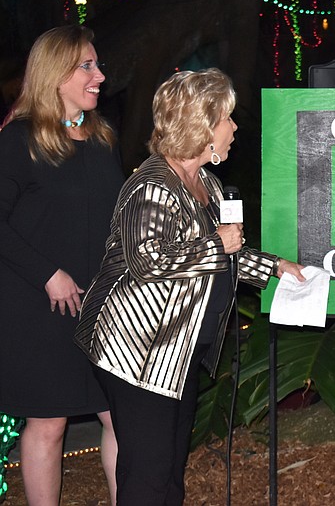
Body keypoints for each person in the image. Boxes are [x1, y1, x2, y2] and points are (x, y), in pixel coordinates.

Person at [74, 68, 305, 505]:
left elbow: (229, 251)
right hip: (138, 354)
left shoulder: (207, 185)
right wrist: (214, 243)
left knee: (170, 469)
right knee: (148, 474)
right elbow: (148, 261)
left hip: (178, 352)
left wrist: (275, 268)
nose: (235, 127)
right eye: (227, 118)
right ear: (201, 125)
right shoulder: (151, 187)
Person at [0, 25, 121, 505]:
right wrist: (48, 273)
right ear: (54, 75)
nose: (100, 76)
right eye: (86, 66)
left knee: (118, 414)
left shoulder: (102, 138)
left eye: (96, 64)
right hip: (37, 308)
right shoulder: (18, 141)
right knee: (47, 422)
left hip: (102, 306)